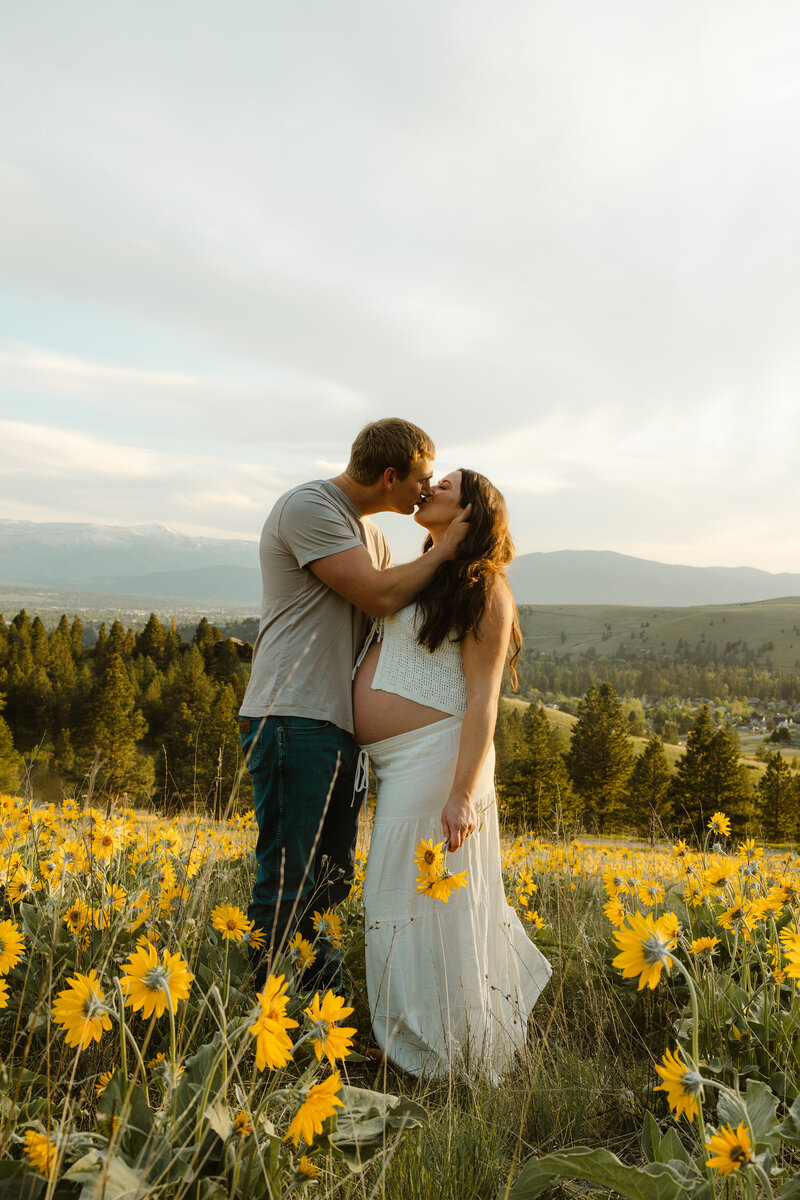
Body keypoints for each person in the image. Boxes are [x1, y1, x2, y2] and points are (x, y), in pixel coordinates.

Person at [238, 419, 470, 989]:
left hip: (333, 728)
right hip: (293, 717)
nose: (427, 488)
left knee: (330, 879)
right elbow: (378, 594)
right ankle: (272, 1016)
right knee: (291, 876)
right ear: (390, 476)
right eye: (422, 478)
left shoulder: (371, 536)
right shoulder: (309, 508)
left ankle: (321, 1011)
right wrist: (448, 550)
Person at [354, 468, 552, 1078]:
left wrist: (463, 794)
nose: (429, 489)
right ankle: (415, 1043)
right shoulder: (429, 572)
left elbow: (483, 699)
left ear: (472, 511)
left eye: (445, 486)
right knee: (396, 899)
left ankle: (446, 1052)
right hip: (398, 763)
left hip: (439, 763)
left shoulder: (486, 589)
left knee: (418, 899)